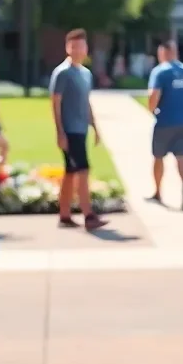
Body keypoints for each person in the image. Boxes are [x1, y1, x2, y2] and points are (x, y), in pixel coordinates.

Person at [49, 29, 106, 230]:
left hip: (81, 129)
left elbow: (86, 102)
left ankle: (64, 215)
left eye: (81, 46)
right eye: (73, 46)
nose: (77, 50)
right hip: (69, 130)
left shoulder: (85, 74)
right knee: (82, 170)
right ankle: (89, 215)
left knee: (71, 173)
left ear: (86, 48)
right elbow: (55, 102)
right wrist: (60, 132)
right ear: (67, 48)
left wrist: (95, 127)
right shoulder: (62, 73)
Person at [146, 41, 183, 210]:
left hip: (164, 121)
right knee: (182, 156)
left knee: (158, 156)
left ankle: (158, 191)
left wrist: (152, 110)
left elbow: (154, 94)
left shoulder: (160, 72)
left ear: (163, 53)